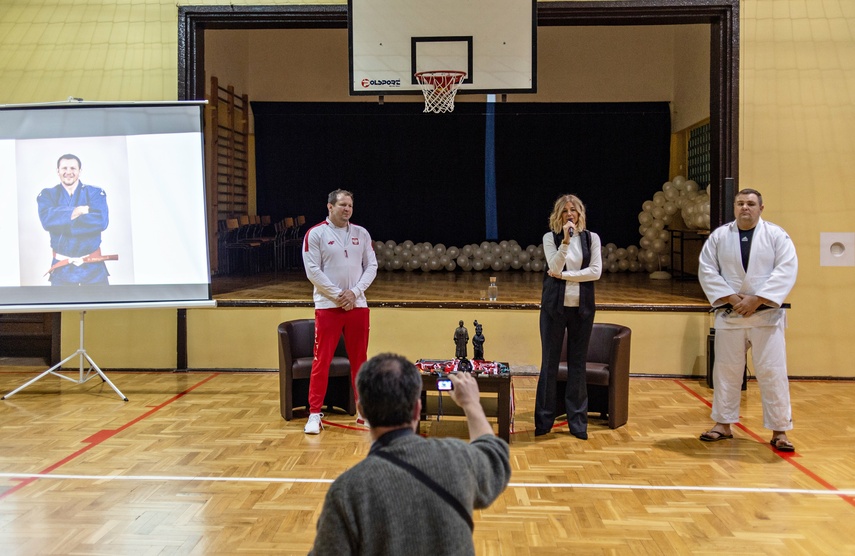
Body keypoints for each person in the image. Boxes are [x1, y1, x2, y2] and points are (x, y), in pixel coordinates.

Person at [310, 353, 511, 556]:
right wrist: (471, 403)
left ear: (362, 410)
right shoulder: (457, 458)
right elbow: (495, 459)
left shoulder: (347, 491)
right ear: (417, 408)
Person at [697, 188, 798, 452]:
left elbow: (786, 269)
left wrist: (757, 299)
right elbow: (707, 270)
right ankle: (722, 424)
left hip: (766, 316)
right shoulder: (720, 236)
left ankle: (780, 430)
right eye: (740, 203)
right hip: (731, 315)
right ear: (734, 207)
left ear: (761, 208)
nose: (745, 208)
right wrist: (732, 298)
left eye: (751, 204)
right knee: (726, 373)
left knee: (772, 373)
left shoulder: (777, 235)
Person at [302, 189, 378, 434]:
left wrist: (354, 293)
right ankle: (314, 414)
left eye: (350, 206)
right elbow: (313, 272)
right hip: (328, 307)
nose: (347, 209)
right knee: (321, 360)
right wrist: (338, 295)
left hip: (357, 305)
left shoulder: (361, 233)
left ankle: (363, 413)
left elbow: (372, 266)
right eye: (342, 205)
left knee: (360, 360)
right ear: (330, 207)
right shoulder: (316, 234)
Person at [534, 194, 602, 439]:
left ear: (580, 213)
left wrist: (564, 277)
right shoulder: (550, 238)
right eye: (565, 211)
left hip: (582, 309)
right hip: (554, 308)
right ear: (559, 216)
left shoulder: (592, 238)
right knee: (549, 364)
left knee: (577, 365)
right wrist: (564, 242)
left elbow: (595, 272)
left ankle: (578, 423)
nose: (570, 214)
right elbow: (553, 266)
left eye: (574, 210)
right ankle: (543, 421)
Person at [37, 154, 114, 285]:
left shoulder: (95, 193)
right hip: (62, 270)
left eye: (73, 168)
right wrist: (77, 211)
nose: (68, 172)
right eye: (64, 168)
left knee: (100, 305)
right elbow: (47, 221)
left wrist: (62, 220)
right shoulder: (47, 195)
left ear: (80, 171)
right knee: (62, 305)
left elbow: (101, 221)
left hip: (93, 270)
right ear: (58, 171)